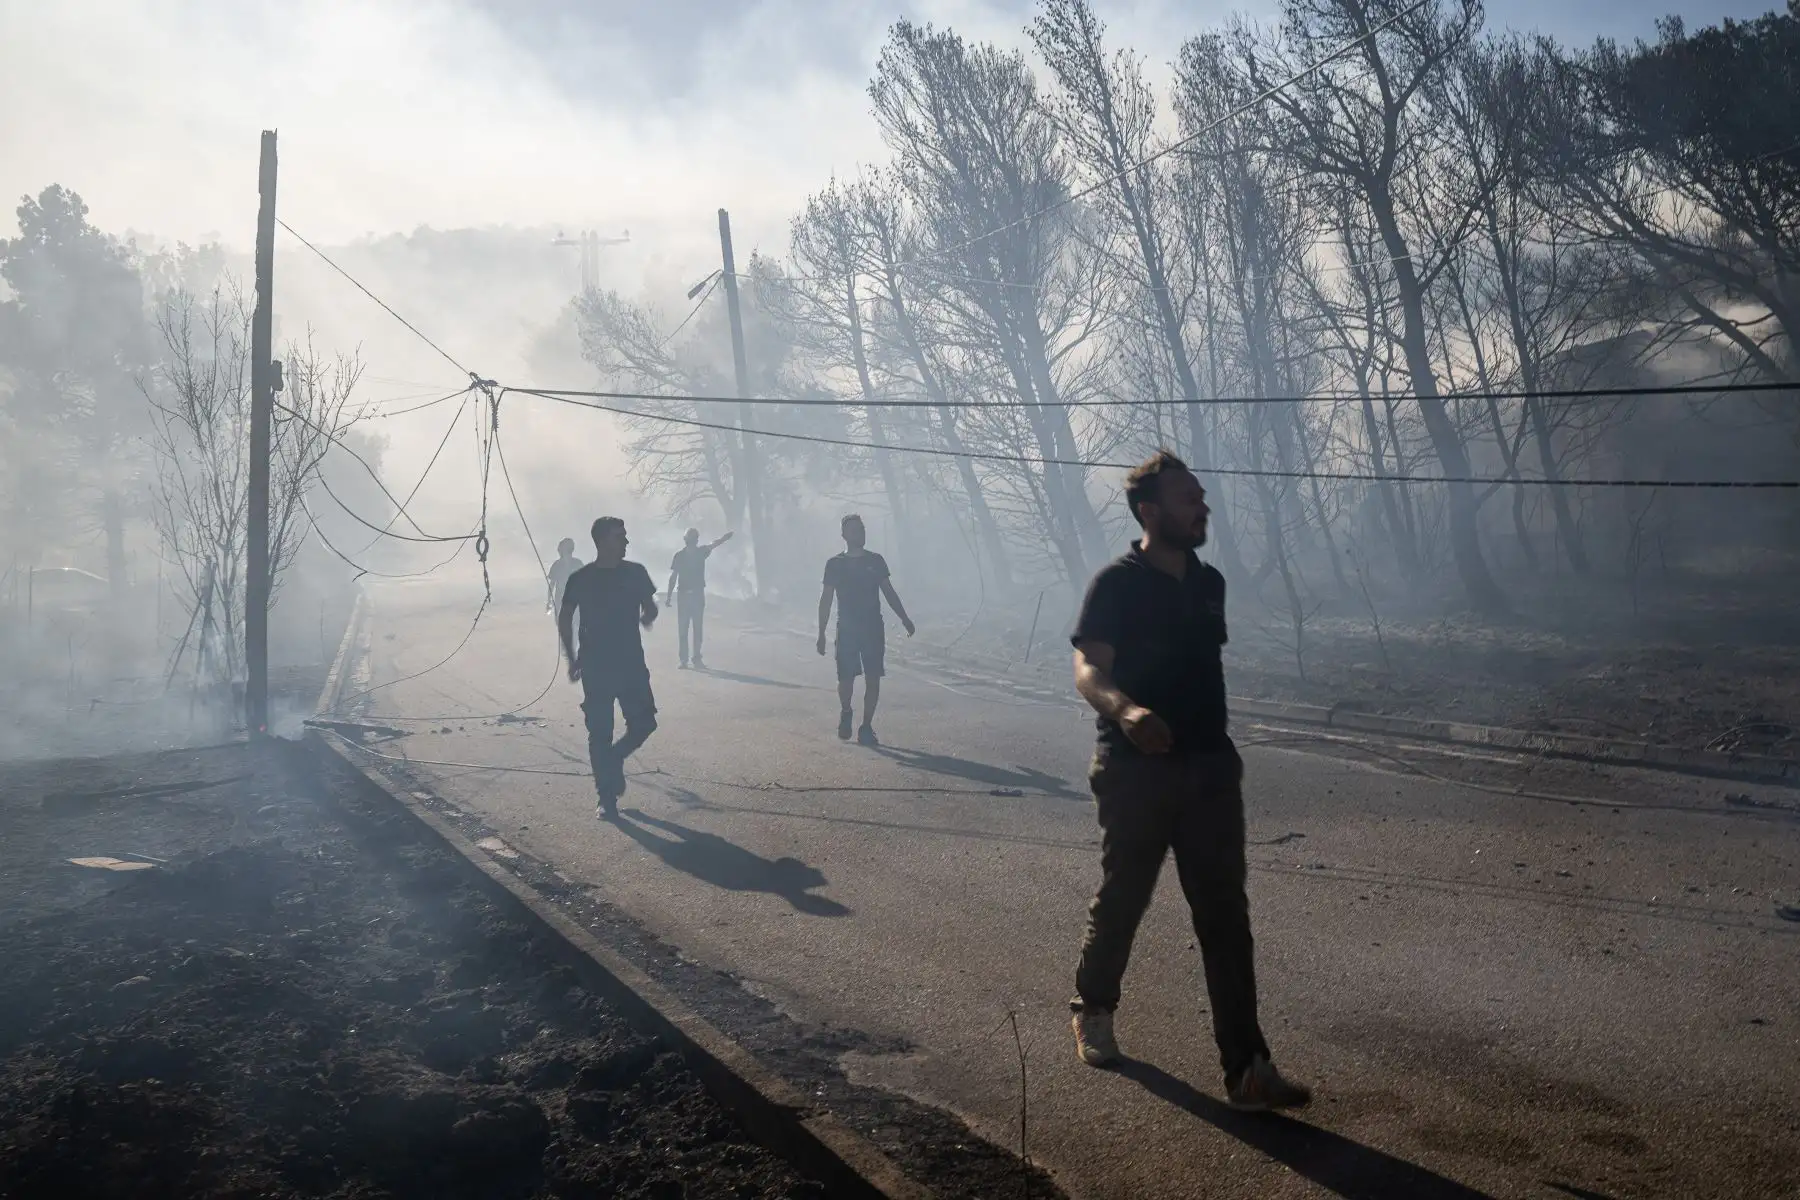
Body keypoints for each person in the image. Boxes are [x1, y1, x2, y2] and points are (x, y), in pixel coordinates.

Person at [1067, 450, 1310, 1113]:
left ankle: (1247, 1069)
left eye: (1202, 496)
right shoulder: (1115, 583)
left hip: (1208, 769)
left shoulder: (1210, 584)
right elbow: (1088, 670)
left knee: (1225, 917)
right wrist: (1128, 711)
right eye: (1187, 498)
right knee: (1125, 896)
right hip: (1134, 769)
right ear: (1151, 512)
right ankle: (1092, 1007)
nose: (1202, 506)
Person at [558, 517, 658, 819]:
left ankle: (613, 759)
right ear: (602, 541)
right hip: (596, 666)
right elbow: (565, 617)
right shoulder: (582, 578)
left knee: (645, 723)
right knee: (599, 732)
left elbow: (650, 605)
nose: (626, 542)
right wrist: (571, 656)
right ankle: (606, 798)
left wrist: (647, 615)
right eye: (619, 537)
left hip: (631, 664)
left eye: (625, 536)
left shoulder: (636, 573)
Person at [816, 513, 913, 746]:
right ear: (844, 535)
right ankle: (846, 711)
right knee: (846, 679)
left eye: (862, 528)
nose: (860, 533)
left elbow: (888, 592)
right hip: (847, 628)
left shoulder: (876, 561)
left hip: (872, 628)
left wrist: (904, 617)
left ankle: (867, 726)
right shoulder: (835, 564)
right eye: (855, 530)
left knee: (873, 678)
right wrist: (821, 633)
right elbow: (826, 599)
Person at [666, 527, 733, 669]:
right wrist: (724, 538)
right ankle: (693, 658)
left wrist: (669, 596)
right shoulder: (698, 553)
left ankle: (687, 660)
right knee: (694, 628)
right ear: (695, 540)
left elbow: (673, 578)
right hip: (692, 595)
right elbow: (713, 544)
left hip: (688, 595)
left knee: (686, 629)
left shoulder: (681, 555)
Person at [547, 537, 581, 614]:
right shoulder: (578, 563)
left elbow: (551, 585)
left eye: (559, 549)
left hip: (562, 601)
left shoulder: (556, 565)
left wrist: (549, 601)